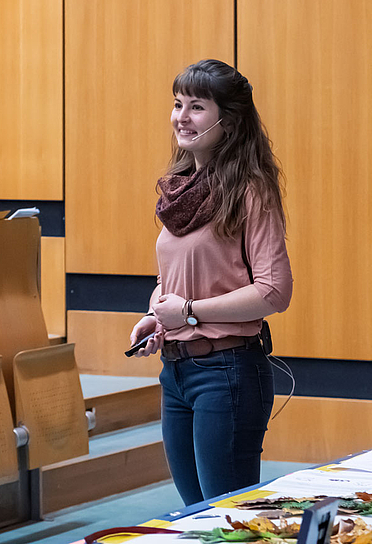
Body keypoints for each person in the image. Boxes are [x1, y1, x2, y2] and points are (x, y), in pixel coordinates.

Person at [129, 59, 293, 505]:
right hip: (176, 372)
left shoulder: (250, 190)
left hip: (228, 373)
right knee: (197, 515)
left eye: (197, 107)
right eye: (178, 104)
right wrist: (155, 315)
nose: (181, 116)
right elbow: (172, 277)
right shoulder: (180, 189)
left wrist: (189, 312)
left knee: (228, 519)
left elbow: (274, 291)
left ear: (228, 120)